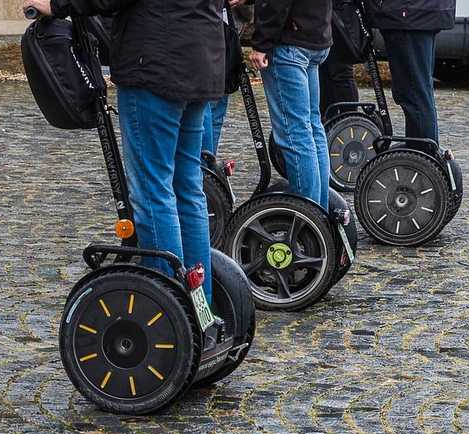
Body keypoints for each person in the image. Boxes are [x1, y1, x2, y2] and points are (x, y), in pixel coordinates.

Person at [22, 0, 243, 308]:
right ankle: (199, 302)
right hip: (201, 59)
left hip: (156, 65)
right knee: (188, 188)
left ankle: (169, 302)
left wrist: (55, 4)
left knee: (154, 190)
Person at [248, 0, 333, 210]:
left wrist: (261, 43)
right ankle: (319, 209)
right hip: (315, 32)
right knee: (312, 127)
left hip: (291, 39)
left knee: (296, 133)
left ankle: (309, 214)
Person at [365, 0, 456, 144]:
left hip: (409, 13)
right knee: (418, 93)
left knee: (415, 96)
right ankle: (422, 156)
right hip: (413, 12)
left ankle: (421, 159)